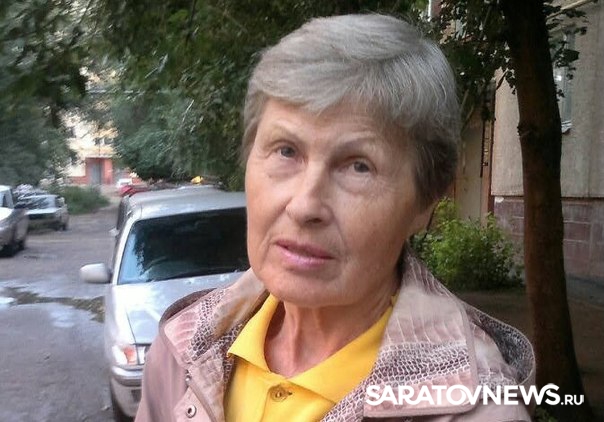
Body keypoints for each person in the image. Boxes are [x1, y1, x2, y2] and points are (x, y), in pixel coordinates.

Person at [135, 14, 534, 421]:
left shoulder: (479, 411)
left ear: (425, 202)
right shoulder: (185, 350)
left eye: (359, 166)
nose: (304, 205)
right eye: (286, 150)